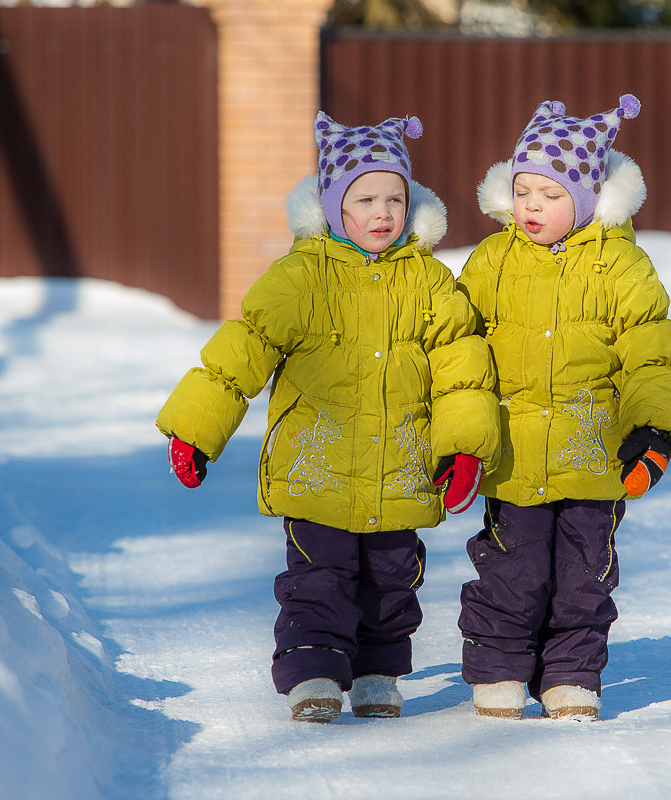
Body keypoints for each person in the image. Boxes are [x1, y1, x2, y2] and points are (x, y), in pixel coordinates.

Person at [156, 112, 500, 723]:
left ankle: (376, 672)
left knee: (393, 579)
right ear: (334, 206)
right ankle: (313, 674)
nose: (382, 212)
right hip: (317, 462)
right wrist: (197, 427)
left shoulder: (428, 280)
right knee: (319, 577)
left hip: (401, 465)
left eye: (394, 198)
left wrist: (465, 445)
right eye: (365, 198)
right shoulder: (301, 277)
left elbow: (462, 369)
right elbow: (244, 350)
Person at [455, 94, 671, 721]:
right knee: (512, 566)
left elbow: (652, 350)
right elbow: (455, 347)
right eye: (524, 190)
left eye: (551, 194)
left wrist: (653, 430)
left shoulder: (622, 267)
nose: (532, 206)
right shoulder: (490, 262)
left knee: (585, 572)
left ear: (587, 200)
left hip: (593, 450)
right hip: (514, 453)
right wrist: (451, 430)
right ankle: (500, 669)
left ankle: (570, 674)